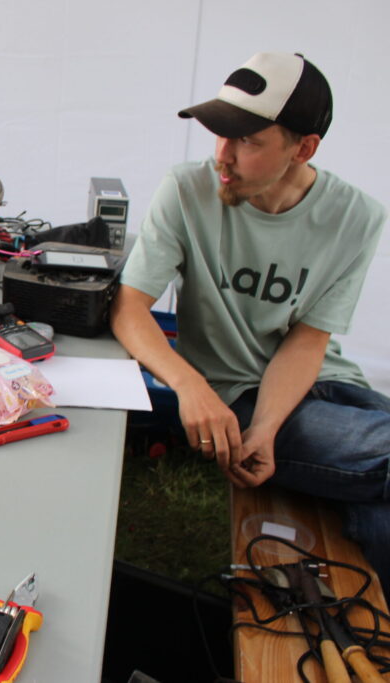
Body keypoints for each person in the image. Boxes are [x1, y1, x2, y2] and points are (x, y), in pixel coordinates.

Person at [111, 53, 390, 585]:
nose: (223, 155)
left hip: (324, 383)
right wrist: (190, 387)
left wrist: (267, 429)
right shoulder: (186, 191)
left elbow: (308, 340)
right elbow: (129, 308)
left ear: (303, 148)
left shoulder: (357, 218)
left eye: (247, 141)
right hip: (232, 395)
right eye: (220, 134)